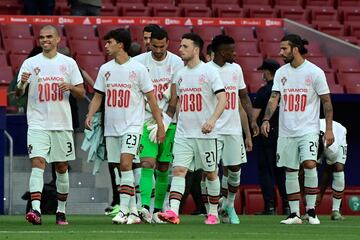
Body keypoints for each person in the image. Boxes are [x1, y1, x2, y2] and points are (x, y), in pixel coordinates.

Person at [84, 28, 166, 224]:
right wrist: (89, 114)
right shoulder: (105, 69)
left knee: (126, 163)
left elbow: (152, 100)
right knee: (121, 169)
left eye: (109, 42)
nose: (106, 46)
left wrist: (160, 125)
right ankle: (132, 211)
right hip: (111, 127)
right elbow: (98, 96)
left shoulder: (138, 69)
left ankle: (124, 210)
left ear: (120, 44)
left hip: (133, 126)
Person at [260, 34, 334, 225]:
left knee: (309, 164)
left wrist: (328, 129)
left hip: (308, 128)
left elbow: (326, 102)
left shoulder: (315, 72)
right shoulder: (281, 73)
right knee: (290, 170)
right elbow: (274, 97)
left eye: (284, 48)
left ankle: (311, 210)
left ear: (295, 49)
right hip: (286, 130)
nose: (280, 52)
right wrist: (266, 119)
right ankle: (294, 214)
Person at [16, 25, 85, 225]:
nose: (45, 40)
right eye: (42, 37)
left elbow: (81, 93)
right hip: (38, 123)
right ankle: (36, 211)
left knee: (61, 168)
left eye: (49, 37)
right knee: (38, 163)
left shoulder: (68, 63)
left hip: (62, 124)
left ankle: (61, 211)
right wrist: (22, 84)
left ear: (57, 39)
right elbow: (19, 94)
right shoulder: (30, 63)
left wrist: (71, 87)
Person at [158, 32, 227, 225]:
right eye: (180, 46)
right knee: (179, 170)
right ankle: (172, 211)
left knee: (211, 173)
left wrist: (212, 120)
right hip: (183, 133)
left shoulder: (209, 72)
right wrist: (165, 124)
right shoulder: (179, 74)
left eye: (185, 46)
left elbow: (223, 98)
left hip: (206, 134)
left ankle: (213, 213)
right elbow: (176, 104)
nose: (180, 49)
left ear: (196, 49)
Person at [203, 34, 255, 224]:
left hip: (233, 129)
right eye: (231, 50)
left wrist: (251, 123)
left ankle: (229, 206)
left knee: (234, 170)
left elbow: (243, 97)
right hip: (212, 129)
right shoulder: (205, 70)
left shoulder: (236, 69)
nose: (235, 53)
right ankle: (212, 210)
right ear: (221, 52)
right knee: (211, 171)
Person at [133, 28, 184, 223]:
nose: (159, 50)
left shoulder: (176, 63)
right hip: (146, 121)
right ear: (149, 43)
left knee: (164, 166)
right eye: (155, 46)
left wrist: (165, 123)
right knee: (147, 162)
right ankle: (145, 206)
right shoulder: (138, 63)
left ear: (168, 43)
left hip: (169, 121)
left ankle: (158, 210)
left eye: (162, 46)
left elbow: (174, 99)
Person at [253, 59, 289, 215]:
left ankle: (270, 206)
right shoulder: (286, 89)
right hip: (284, 133)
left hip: (267, 134)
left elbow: (255, 115)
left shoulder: (263, 91)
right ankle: (288, 205)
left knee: (266, 170)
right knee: (282, 171)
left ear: (268, 72)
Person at [317, 119, 347, 220]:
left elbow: (328, 170)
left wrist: (320, 193)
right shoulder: (307, 141)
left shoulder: (332, 149)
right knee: (309, 166)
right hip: (315, 135)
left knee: (338, 168)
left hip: (336, 135)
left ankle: (336, 210)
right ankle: (309, 209)